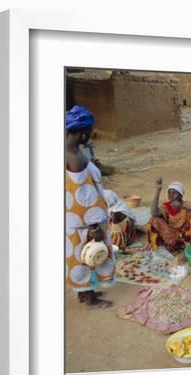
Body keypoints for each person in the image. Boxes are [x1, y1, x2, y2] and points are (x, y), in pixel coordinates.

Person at [65, 105, 116, 309]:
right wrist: (95, 226)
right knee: (91, 256)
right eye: (89, 131)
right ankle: (91, 299)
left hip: (72, 220)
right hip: (86, 222)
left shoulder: (67, 151)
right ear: (82, 132)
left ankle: (83, 293)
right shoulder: (76, 159)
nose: (90, 135)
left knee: (79, 256)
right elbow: (85, 198)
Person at [148, 178, 191, 252]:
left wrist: (183, 207)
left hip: (185, 236)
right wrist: (158, 190)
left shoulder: (186, 204)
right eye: (169, 193)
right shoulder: (167, 206)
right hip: (171, 235)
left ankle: (189, 244)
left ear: (181, 195)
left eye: (174, 193)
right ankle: (170, 244)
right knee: (153, 219)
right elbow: (154, 213)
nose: (171, 195)